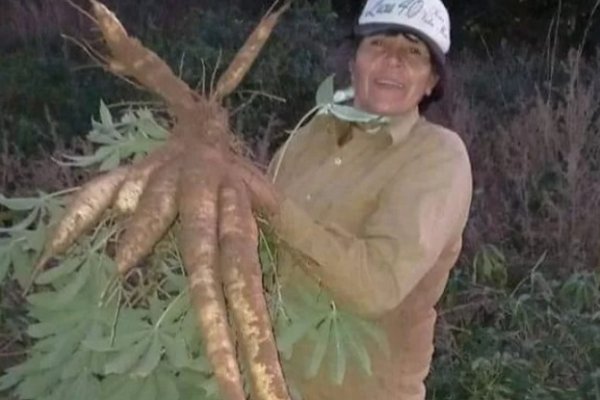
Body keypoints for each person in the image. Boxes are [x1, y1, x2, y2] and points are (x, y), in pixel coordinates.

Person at [260, 0, 473, 399]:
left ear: (431, 82)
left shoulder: (437, 156)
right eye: (379, 45)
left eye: (413, 52)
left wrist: (272, 208)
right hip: (267, 382)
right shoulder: (310, 134)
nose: (393, 61)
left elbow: (376, 284)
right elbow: (259, 244)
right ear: (354, 59)